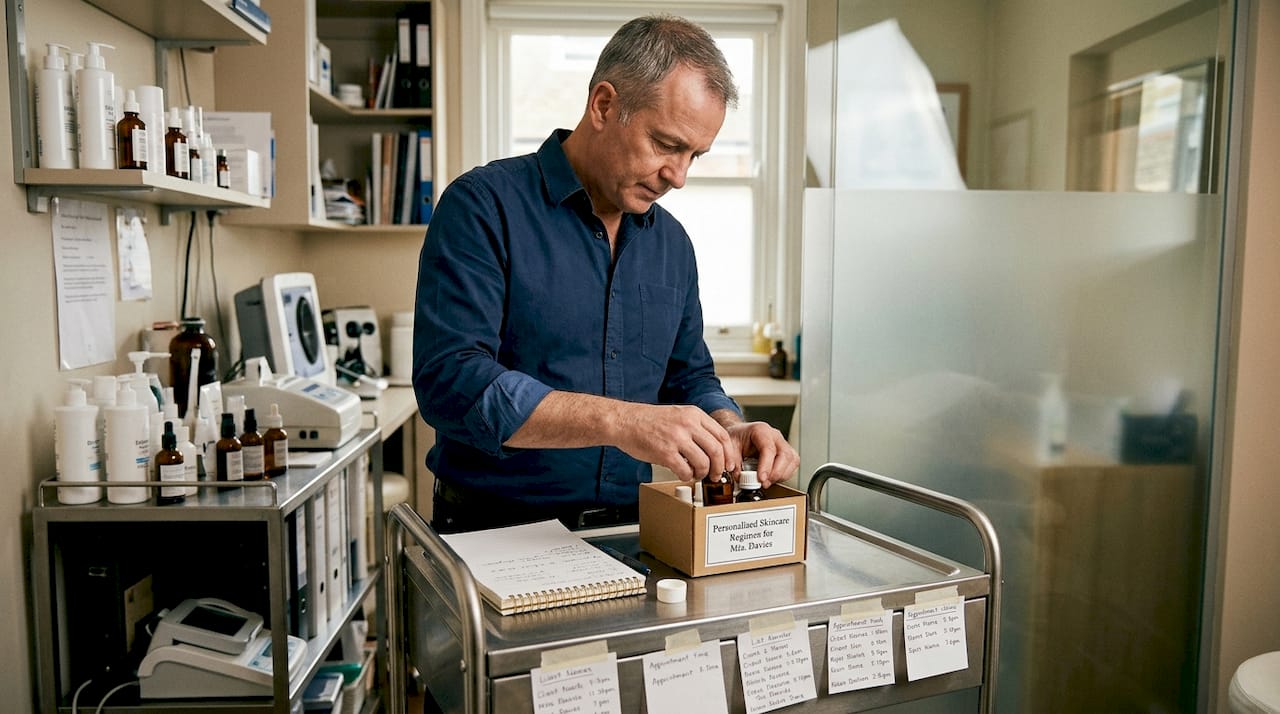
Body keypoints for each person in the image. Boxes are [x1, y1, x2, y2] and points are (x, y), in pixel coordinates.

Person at [413, 14, 799, 534]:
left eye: (695, 155)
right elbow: (452, 383)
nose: (679, 177)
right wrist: (623, 421)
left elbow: (688, 378)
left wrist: (730, 426)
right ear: (603, 105)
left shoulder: (672, 244)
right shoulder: (483, 206)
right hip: (496, 532)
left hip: (632, 531)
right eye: (666, 144)